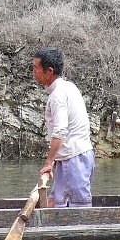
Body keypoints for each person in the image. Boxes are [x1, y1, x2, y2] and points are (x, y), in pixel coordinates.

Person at [33, 47, 95, 207]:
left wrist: (49, 162)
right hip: (75, 156)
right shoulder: (69, 87)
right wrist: (54, 161)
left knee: (75, 207)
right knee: (57, 202)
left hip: (73, 159)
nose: (34, 71)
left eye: (36, 67)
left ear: (49, 71)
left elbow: (60, 131)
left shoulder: (58, 96)